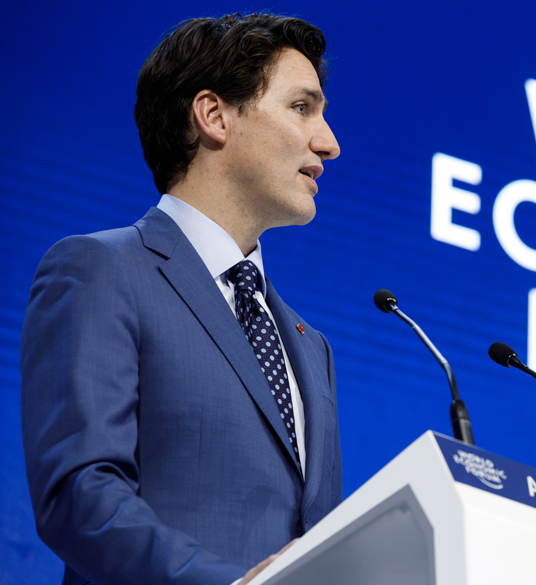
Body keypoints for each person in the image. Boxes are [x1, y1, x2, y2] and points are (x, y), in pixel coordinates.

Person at [21, 13, 343, 585]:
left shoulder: (309, 346)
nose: (330, 143)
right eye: (302, 107)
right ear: (214, 115)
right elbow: (79, 494)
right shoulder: (102, 270)